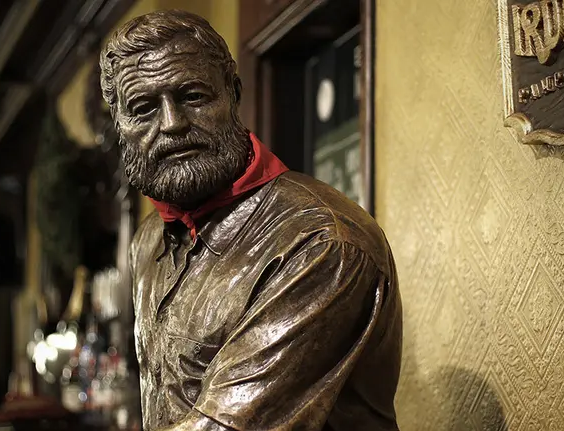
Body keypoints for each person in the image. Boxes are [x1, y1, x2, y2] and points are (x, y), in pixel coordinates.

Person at [100, 10, 402, 431]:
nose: (172, 124)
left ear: (233, 94)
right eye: (144, 108)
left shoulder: (320, 242)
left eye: (193, 96)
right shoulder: (150, 239)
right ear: (120, 125)